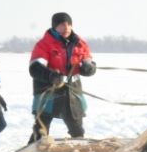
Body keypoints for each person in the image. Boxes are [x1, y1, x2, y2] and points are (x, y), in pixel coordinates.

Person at [28, 12, 96, 141]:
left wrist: (89, 68)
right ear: (54, 27)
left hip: (72, 91)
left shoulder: (80, 44)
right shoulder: (44, 44)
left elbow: (87, 62)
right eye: (61, 25)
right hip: (48, 91)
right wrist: (52, 76)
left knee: (77, 131)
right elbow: (35, 68)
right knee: (41, 131)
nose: (66, 28)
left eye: (68, 24)